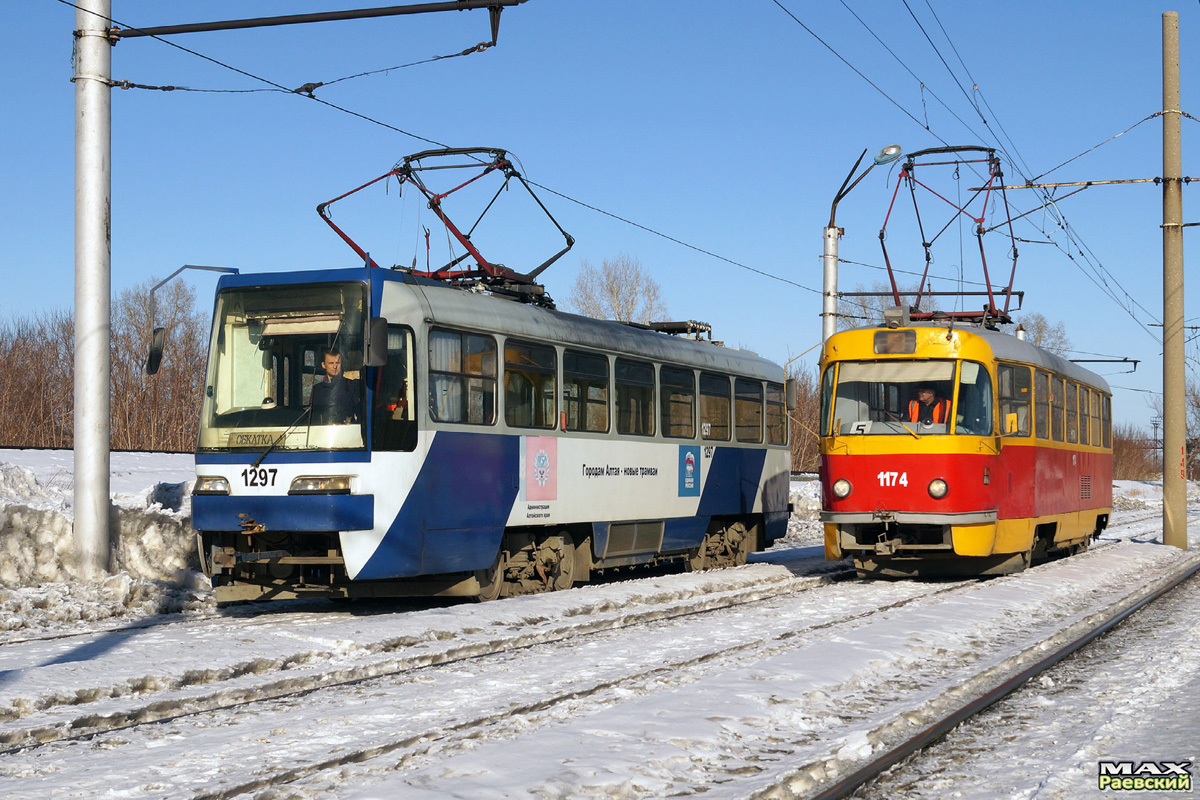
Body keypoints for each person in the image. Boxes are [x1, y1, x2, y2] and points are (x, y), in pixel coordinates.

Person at [311, 348, 361, 423]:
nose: (335, 366)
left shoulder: (351, 386)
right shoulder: (317, 390)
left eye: (337, 363)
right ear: (323, 365)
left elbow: (360, 413)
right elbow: (313, 417)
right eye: (331, 363)